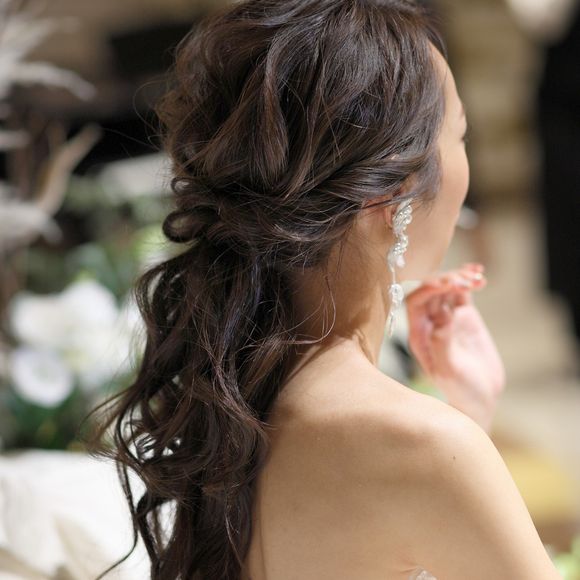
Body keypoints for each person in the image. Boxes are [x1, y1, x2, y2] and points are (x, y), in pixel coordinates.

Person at [89, 1, 563, 579]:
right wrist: (466, 433)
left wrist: (471, 410)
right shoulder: (424, 446)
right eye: (459, 134)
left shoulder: (231, 402)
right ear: (390, 190)